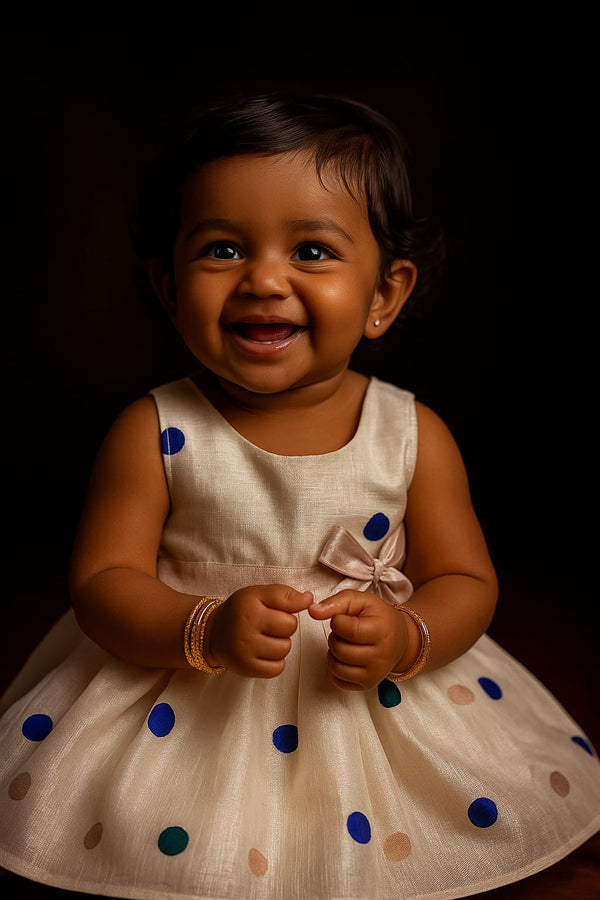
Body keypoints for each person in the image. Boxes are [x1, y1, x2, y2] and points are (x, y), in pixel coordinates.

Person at [0, 92, 598, 900]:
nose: (264, 280)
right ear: (168, 286)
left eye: (312, 251)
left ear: (385, 294)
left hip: (362, 691)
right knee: (177, 838)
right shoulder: (155, 430)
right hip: (186, 687)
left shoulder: (412, 433)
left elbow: (467, 581)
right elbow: (103, 584)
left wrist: (407, 635)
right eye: (221, 250)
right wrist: (201, 626)